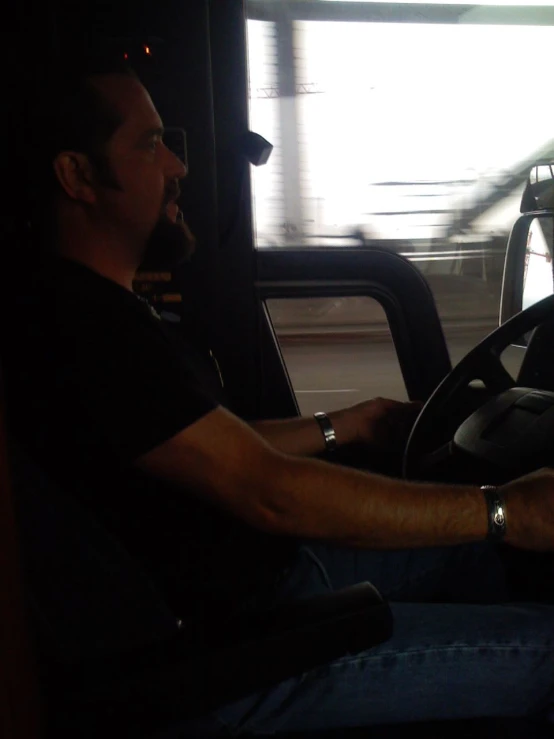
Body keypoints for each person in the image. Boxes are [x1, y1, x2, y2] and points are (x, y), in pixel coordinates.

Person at [4, 52, 554, 734]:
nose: (178, 167)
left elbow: (210, 441)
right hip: (235, 660)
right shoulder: (80, 330)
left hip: (262, 586)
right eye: (151, 145)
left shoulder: (99, 312)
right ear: (77, 175)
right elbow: (268, 488)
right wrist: (506, 508)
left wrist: (353, 423)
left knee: (481, 555)